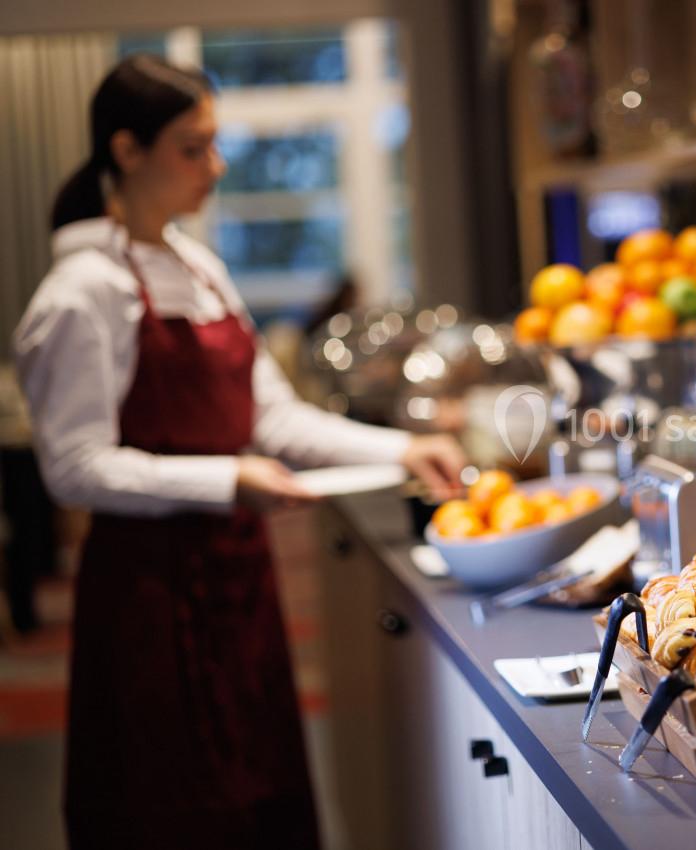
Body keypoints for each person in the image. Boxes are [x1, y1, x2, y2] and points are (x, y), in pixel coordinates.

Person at [13, 55, 467, 849]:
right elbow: (73, 466)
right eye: (194, 148)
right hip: (146, 600)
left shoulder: (201, 269)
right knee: (168, 812)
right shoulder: (81, 291)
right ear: (126, 150)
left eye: (215, 146)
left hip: (237, 586)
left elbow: (275, 420)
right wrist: (227, 478)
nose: (217, 168)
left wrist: (406, 451)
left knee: (261, 803)